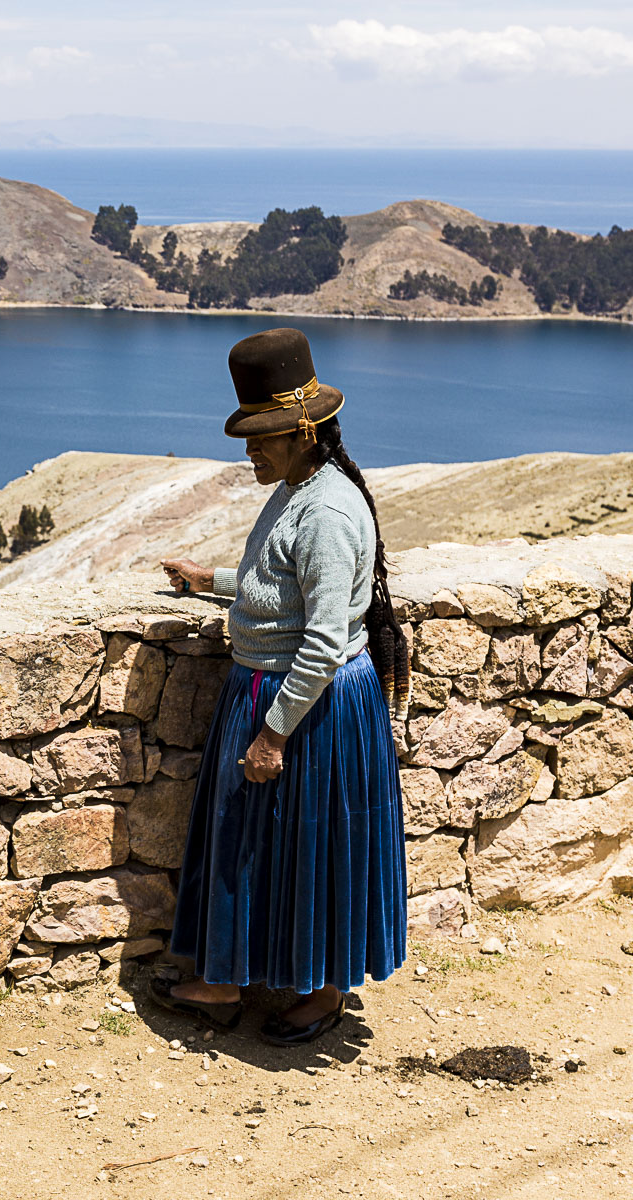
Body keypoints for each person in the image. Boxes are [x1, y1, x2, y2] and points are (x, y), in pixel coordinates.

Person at [153, 327, 409, 1047]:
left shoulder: (324, 511)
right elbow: (284, 592)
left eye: (264, 435)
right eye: (249, 434)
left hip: (306, 707)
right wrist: (215, 584)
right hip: (280, 695)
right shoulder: (302, 488)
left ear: (305, 430)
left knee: (314, 846)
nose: (251, 449)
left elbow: (325, 638)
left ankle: (320, 994)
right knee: (260, 844)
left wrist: (273, 733)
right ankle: (233, 978)